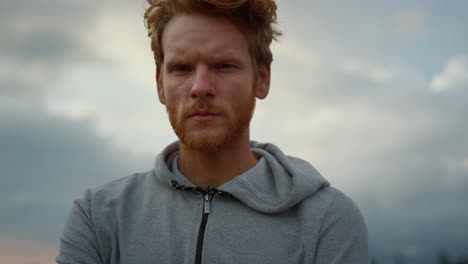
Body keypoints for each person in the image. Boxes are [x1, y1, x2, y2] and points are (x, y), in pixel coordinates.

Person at [56, 0, 369, 263]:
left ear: (261, 79)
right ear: (160, 85)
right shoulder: (99, 217)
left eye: (224, 65)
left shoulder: (328, 220)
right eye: (182, 68)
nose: (200, 87)